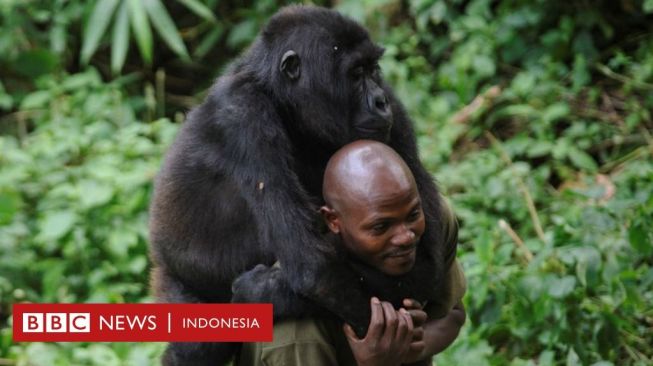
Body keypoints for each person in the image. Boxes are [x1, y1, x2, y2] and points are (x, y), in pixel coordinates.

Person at [237, 140, 466, 366]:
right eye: (381, 227)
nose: (405, 237)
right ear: (333, 221)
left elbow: (452, 314)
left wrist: (408, 345)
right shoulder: (295, 335)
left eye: (413, 214)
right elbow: (212, 325)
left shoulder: (431, 222)